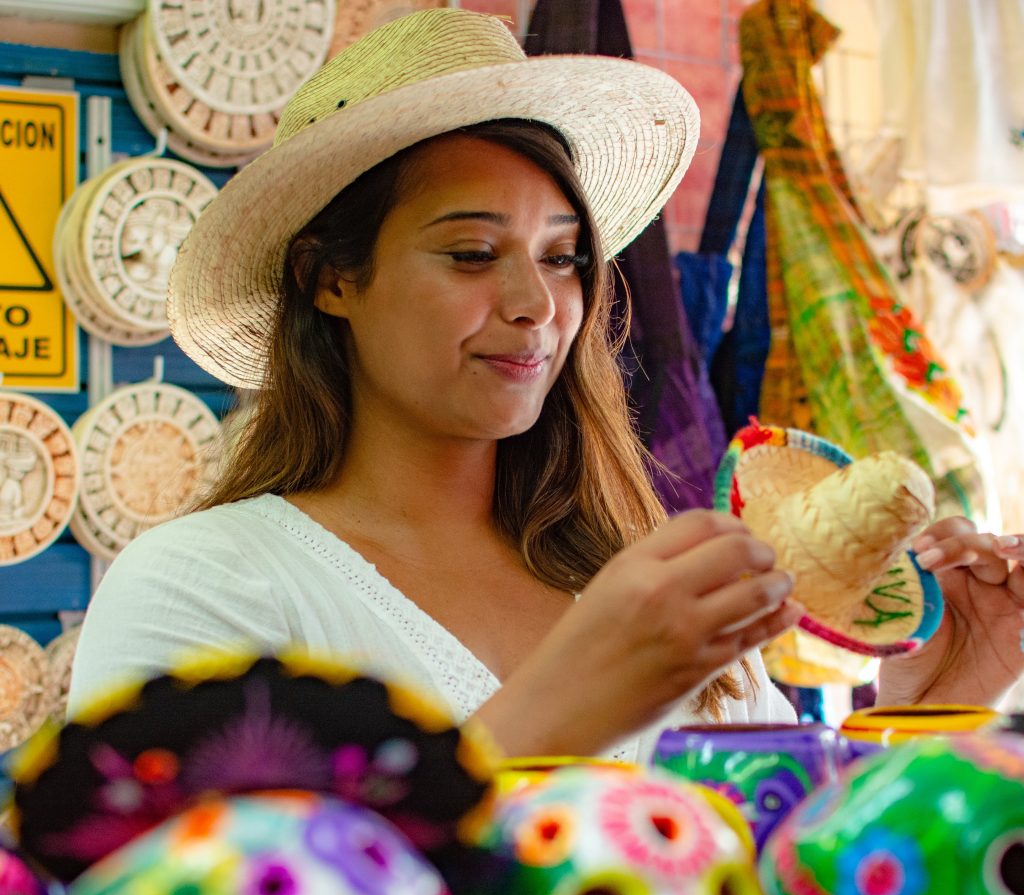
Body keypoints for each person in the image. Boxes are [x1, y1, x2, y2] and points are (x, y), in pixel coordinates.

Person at [68, 8, 1024, 763]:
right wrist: (561, 709)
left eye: (564, 258)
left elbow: (786, 894)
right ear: (332, 280)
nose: (537, 303)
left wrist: (932, 711)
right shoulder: (208, 585)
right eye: (473, 252)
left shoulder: (636, 577)